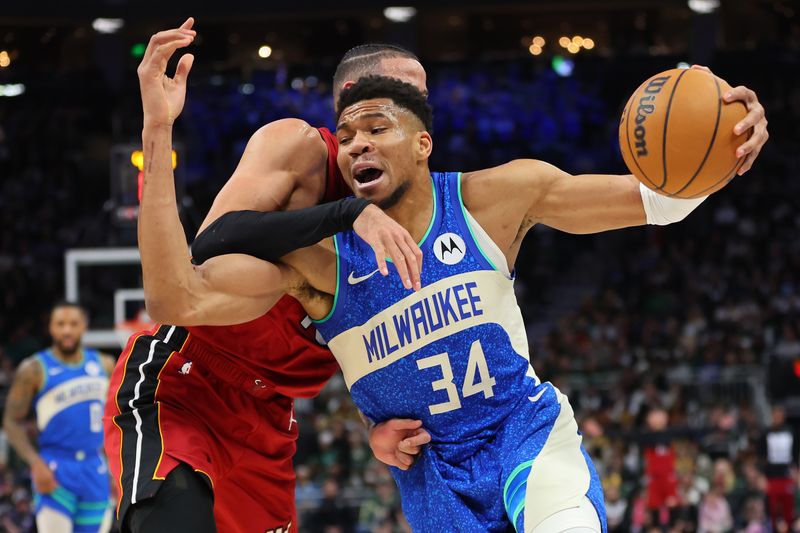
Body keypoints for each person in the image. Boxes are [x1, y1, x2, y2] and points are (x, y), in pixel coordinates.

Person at [136, 57, 769, 530]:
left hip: (526, 436)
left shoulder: (493, 198)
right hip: (432, 482)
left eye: (377, 127)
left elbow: (658, 202)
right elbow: (178, 296)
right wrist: (159, 132)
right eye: (348, 135)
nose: (358, 142)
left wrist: (728, 142)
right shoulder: (322, 262)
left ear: (422, 143)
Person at [105, 18, 431, 533]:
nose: (420, 110)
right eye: (404, 95)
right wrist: (345, 213)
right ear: (351, 100)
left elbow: (371, 344)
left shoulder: (418, 215)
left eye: (424, 98)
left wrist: (376, 425)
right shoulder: (299, 149)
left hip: (271, 419)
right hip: (186, 381)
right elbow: (207, 251)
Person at [3, 302, 116, 533]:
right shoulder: (34, 369)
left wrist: (116, 468)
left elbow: (114, 420)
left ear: (84, 326)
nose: (67, 330)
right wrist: (35, 463)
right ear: (51, 328)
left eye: (73, 324)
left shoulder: (105, 364)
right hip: (55, 467)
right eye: (60, 324)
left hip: (95, 467)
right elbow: (11, 421)